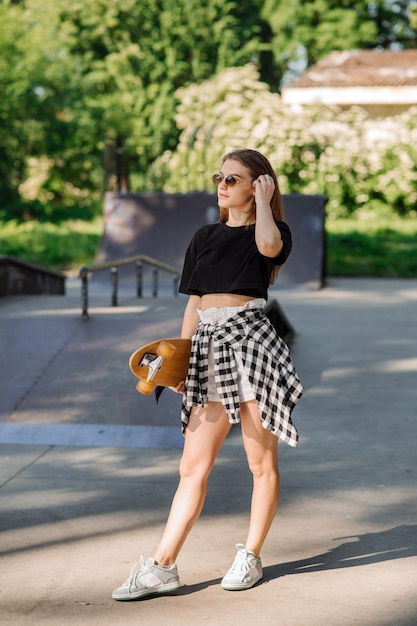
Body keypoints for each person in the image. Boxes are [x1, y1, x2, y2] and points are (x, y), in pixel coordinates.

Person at [112, 148, 304, 601]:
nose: (223, 184)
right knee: (192, 467)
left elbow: (270, 249)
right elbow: (194, 303)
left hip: (254, 345)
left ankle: (251, 555)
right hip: (207, 349)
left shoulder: (272, 232)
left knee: (261, 464)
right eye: (221, 176)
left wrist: (263, 204)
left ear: (259, 186)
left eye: (235, 179)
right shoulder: (203, 236)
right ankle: (162, 567)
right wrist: (180, 359)